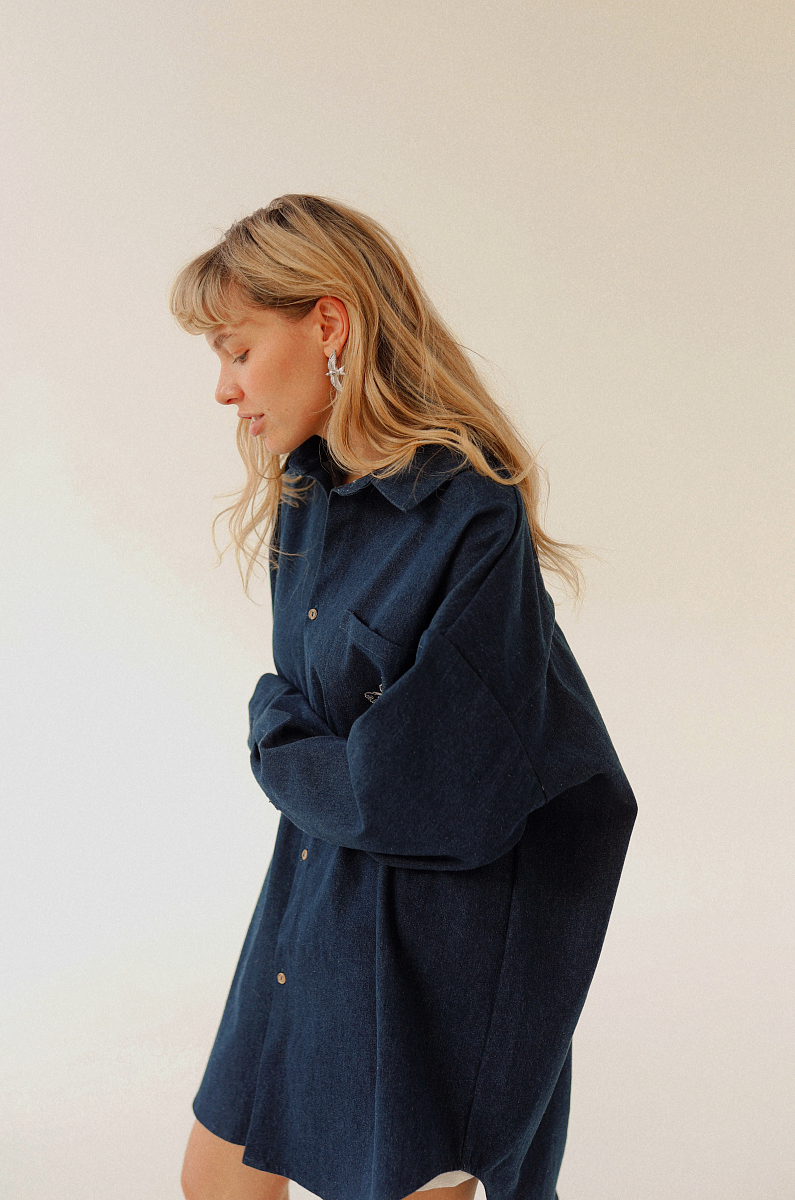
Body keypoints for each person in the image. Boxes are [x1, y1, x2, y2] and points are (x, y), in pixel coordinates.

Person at [168, 193, 638, 1200]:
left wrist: (272, 739)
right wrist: (304, 736)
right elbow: (332, 732)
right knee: (216, 1179)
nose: (223, 389)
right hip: (313, 893)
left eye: (238, 351)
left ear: (328, 324)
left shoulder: (470, 515)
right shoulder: (305, 492)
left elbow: (418, 790)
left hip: (439, 952)